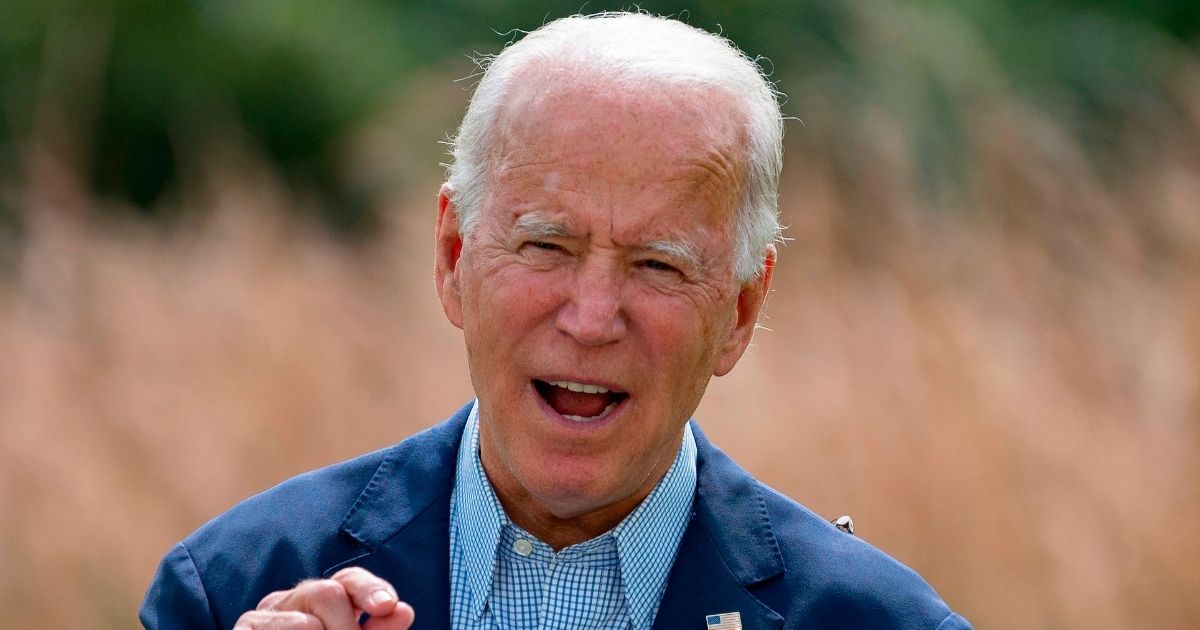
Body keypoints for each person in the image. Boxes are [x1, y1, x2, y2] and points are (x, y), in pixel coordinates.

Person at [141, 12, 971, 630]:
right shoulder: (229, 590)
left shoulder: (878, 621)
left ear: (741, 311)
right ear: (454, 256)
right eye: (546, 246)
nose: (591, 317)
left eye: (658, 265)